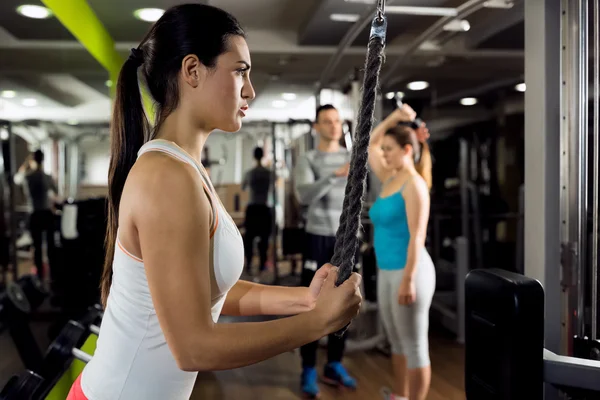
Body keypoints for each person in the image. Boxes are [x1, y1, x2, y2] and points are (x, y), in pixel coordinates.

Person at [66, 5, 362, 400]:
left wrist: (304, 299)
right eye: (240, 70)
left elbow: (208, 289)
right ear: (192, 71)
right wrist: (316, 323)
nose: (250, 90)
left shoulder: (188, 169)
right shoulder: (167, 177)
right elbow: (193, 348)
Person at [368, 104, 435, 400]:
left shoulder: (414, 185)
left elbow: (417, 236)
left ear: (408, 150)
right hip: (387, 270)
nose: (384, 154)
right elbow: (370, 144)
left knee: (414, 344)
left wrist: (408, 279)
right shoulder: (389, 178)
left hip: (412, 271)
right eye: (385, 150)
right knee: (396, 341)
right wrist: (396, 117)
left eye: (390, 149)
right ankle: (400, 395)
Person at [293, 104, 357, 398]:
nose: (334, 126)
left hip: (344, 241)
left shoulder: (353, 157)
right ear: (316, 126)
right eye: (327, 122)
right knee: (312, 302)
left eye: (337, 121)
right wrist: (335, 175)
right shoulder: (309, 158)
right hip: (317, 238)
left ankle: (334, 363)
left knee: (343, 302)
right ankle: (308, 366)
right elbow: (303, 195)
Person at [14, 150, 58, 282]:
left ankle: (40, 275)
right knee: (50, 246)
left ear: (33, 160)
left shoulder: (28, 176)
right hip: (46, 213)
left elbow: (16, 179)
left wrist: (26, 163)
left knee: (37, 246)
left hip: (35, 213)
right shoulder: (47, 176)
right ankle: (53, 274)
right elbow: (55, 192)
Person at [241, 146, 272, 276]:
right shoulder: (269, 173)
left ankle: (248, 264)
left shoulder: (250, 173)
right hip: (264, 207)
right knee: (264, 239)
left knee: (249, 238)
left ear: (254, 156)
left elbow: (243, 187)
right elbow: (274, 186)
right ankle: (261, 265)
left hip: (253, 208)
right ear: (263, 155)